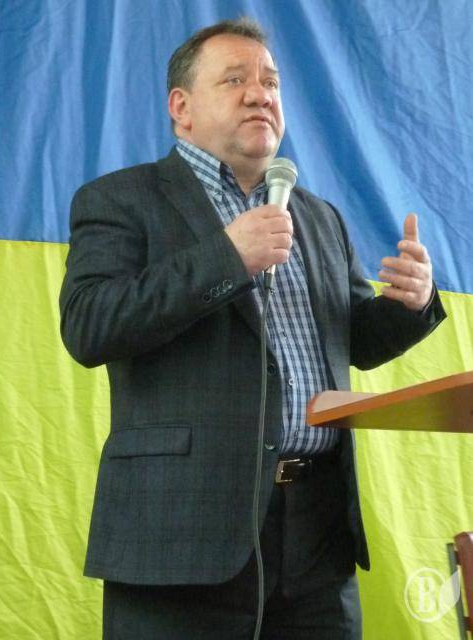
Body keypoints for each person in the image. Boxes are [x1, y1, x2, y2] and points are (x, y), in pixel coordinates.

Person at [59, 17, 445, 640]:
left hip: (317, 536)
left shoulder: (319, 216)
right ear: (181, 108)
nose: (260, 94)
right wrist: (226, 258)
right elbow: (90, 326)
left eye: (270, 81)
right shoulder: (121, 199)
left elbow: (355, 342)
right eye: (235, 80)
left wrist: (410, 303)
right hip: (181, 531)